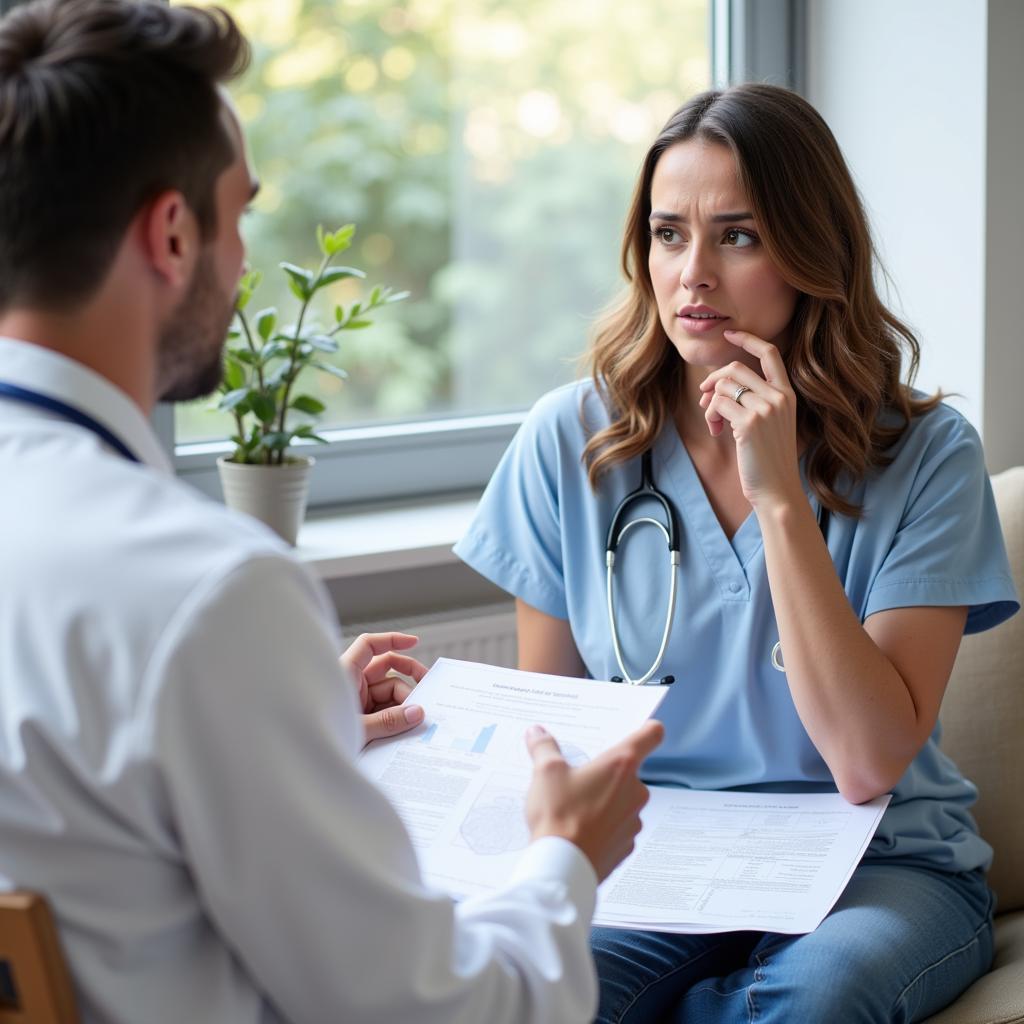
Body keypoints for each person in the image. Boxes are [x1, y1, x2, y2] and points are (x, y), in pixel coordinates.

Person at [0, 2, 665, 1022]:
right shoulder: (206, 591)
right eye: (241, 212)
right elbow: (435, 1011)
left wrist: (286, 734)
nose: (243, 259)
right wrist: (564, 860)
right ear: (172, 233)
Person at [455, 83, 1020, 1022]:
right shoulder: (572, 441)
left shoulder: (927, 456)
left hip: (877, 867)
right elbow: (557, 736)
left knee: (815, 1000)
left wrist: (780, 501)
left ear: (811, 251)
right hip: (656, 865)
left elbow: (869, 762)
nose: (694, 275)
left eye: (739, 235)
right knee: (527, 988)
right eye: (669, 234)